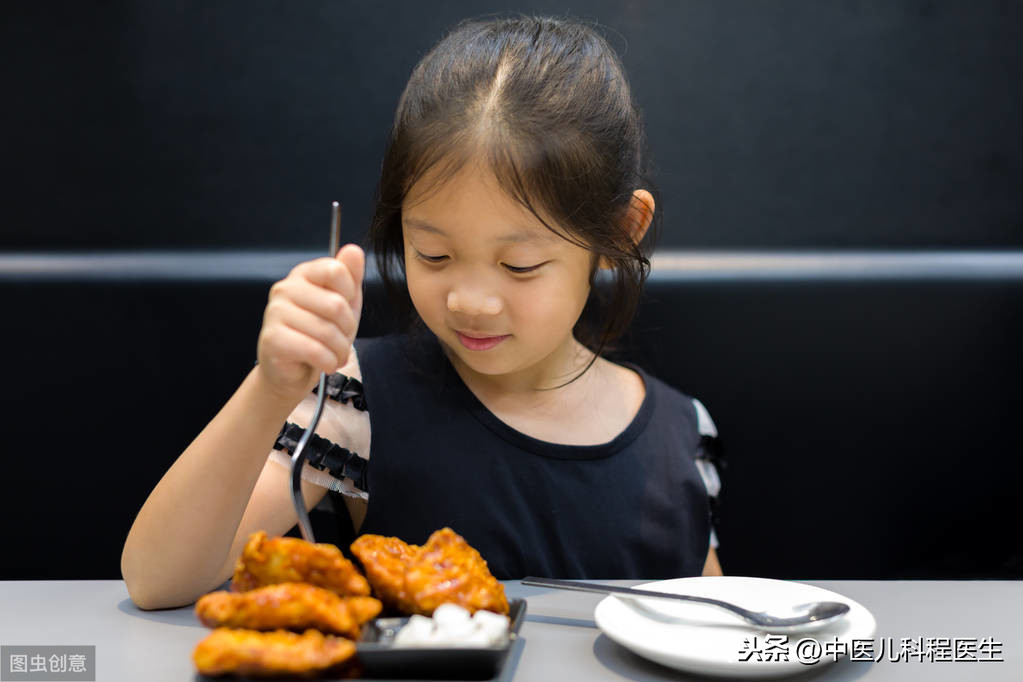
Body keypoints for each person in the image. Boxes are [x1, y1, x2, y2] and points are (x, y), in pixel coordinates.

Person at [121, 15, 723, 610]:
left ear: (621, 233)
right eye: (433, 254)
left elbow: (721, 631)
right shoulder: (356, 402)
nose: (470, 301)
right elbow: (159, 581)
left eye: (519, 266)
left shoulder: (682, 437)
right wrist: (270, 388)